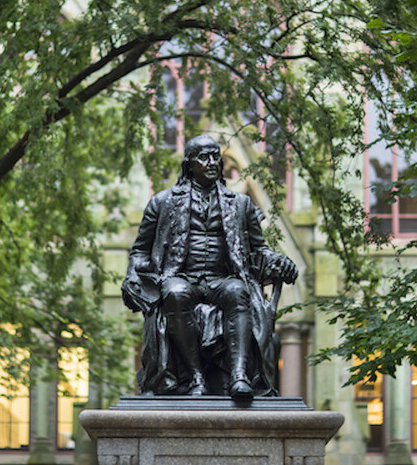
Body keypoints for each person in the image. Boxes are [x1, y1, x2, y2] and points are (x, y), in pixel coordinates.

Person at [122, 135, 298, 398]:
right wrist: (133, 276)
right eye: (204, 157)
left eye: (216, 156)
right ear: (189, 165)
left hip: (222, 278)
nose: (212, 162)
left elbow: (259, 251)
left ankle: (239, 376)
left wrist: (279, 262)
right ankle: (195, 376)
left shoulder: (240, 204)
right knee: (175, 293)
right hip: (182, 277)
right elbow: (139, 250)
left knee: (238, 291)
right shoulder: (162, 202)